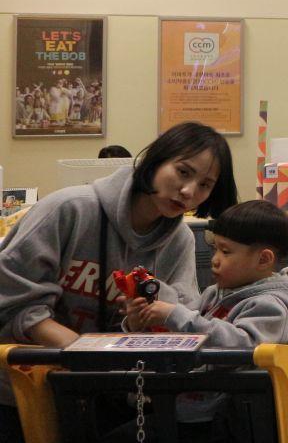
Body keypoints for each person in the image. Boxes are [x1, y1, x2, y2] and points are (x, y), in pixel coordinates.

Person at [0, 121, 238, 442]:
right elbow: (12, 294)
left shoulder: (179, 240)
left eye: (205, 185)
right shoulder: (69, 209)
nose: (189, 191)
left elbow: (177, 319)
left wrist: (140, 325)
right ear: (155, 160)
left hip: (104, 394)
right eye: (183, 172)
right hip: (18, 389)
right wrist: (82, 351)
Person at [120, 200, 288, 439]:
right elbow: (187, 333)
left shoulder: (270, 305)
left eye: (226, 251)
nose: (215, 259)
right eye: (215, 249)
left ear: (263, 259)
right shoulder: (214, 293)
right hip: (186, 403)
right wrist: (141, 323)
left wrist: (174, 314)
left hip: (222, 421)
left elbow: (244, 345)